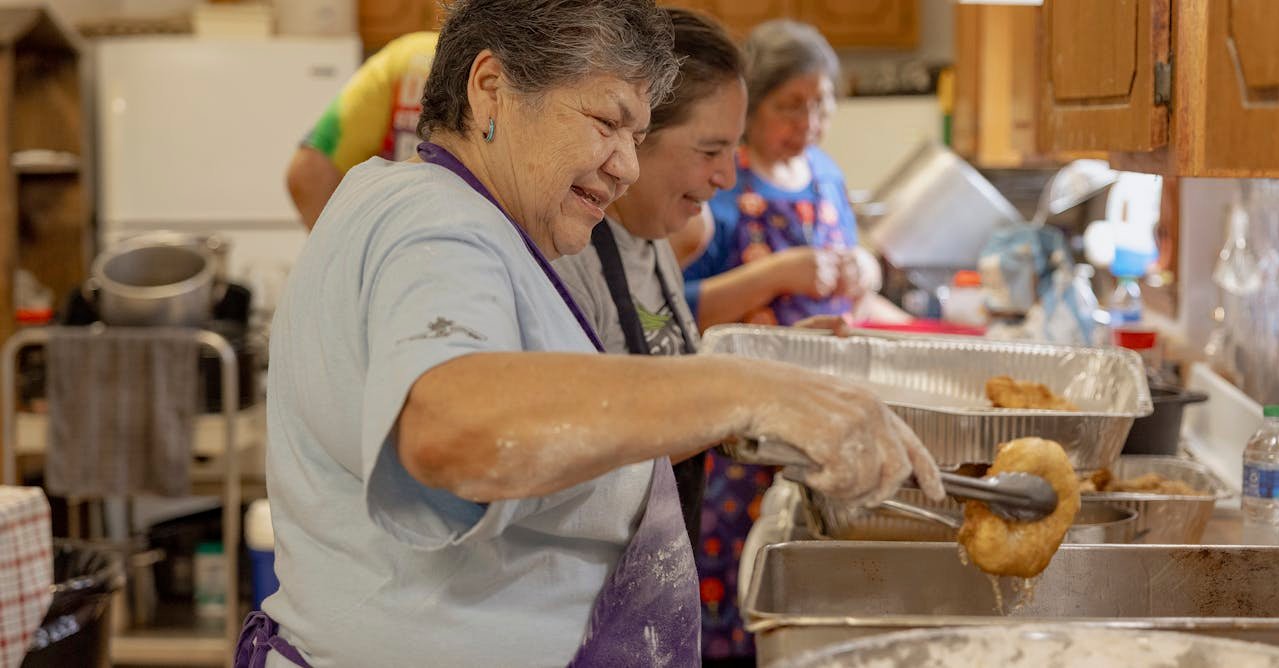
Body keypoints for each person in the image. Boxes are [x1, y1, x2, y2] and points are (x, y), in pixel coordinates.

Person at [240, 2, 942, 667]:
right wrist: (741, 387)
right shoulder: (434, 221)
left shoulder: (489, 230)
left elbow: (571, 418)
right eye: (607, 122)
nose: (627, 164)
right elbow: (452, 428)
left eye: (636, 137)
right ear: (491, 89)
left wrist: (763, 374)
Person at [678, 19, 910, 663]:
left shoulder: (827, 176)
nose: (809, 119)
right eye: (791, 105)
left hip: (822, 419)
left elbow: (849, 293)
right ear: (751, 105)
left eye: (823, 102)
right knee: (737, 586)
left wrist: (863, 272)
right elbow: (680, 312)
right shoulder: (721, 185)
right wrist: (779, 273)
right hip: (744, 434)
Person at [550, 7, 744, 552]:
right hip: (591, 601)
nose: (727, 176)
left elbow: (658, 364)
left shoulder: (652, 237)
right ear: (637, 134)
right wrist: (738, 406)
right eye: (711, 151)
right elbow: (579, 465)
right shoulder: (569, 261)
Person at [285, 31, 437, 229]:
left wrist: (342, 254)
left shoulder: (407, 57)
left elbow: (309, 173)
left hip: (392, 244)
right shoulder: (486, 73)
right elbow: (308, 173)